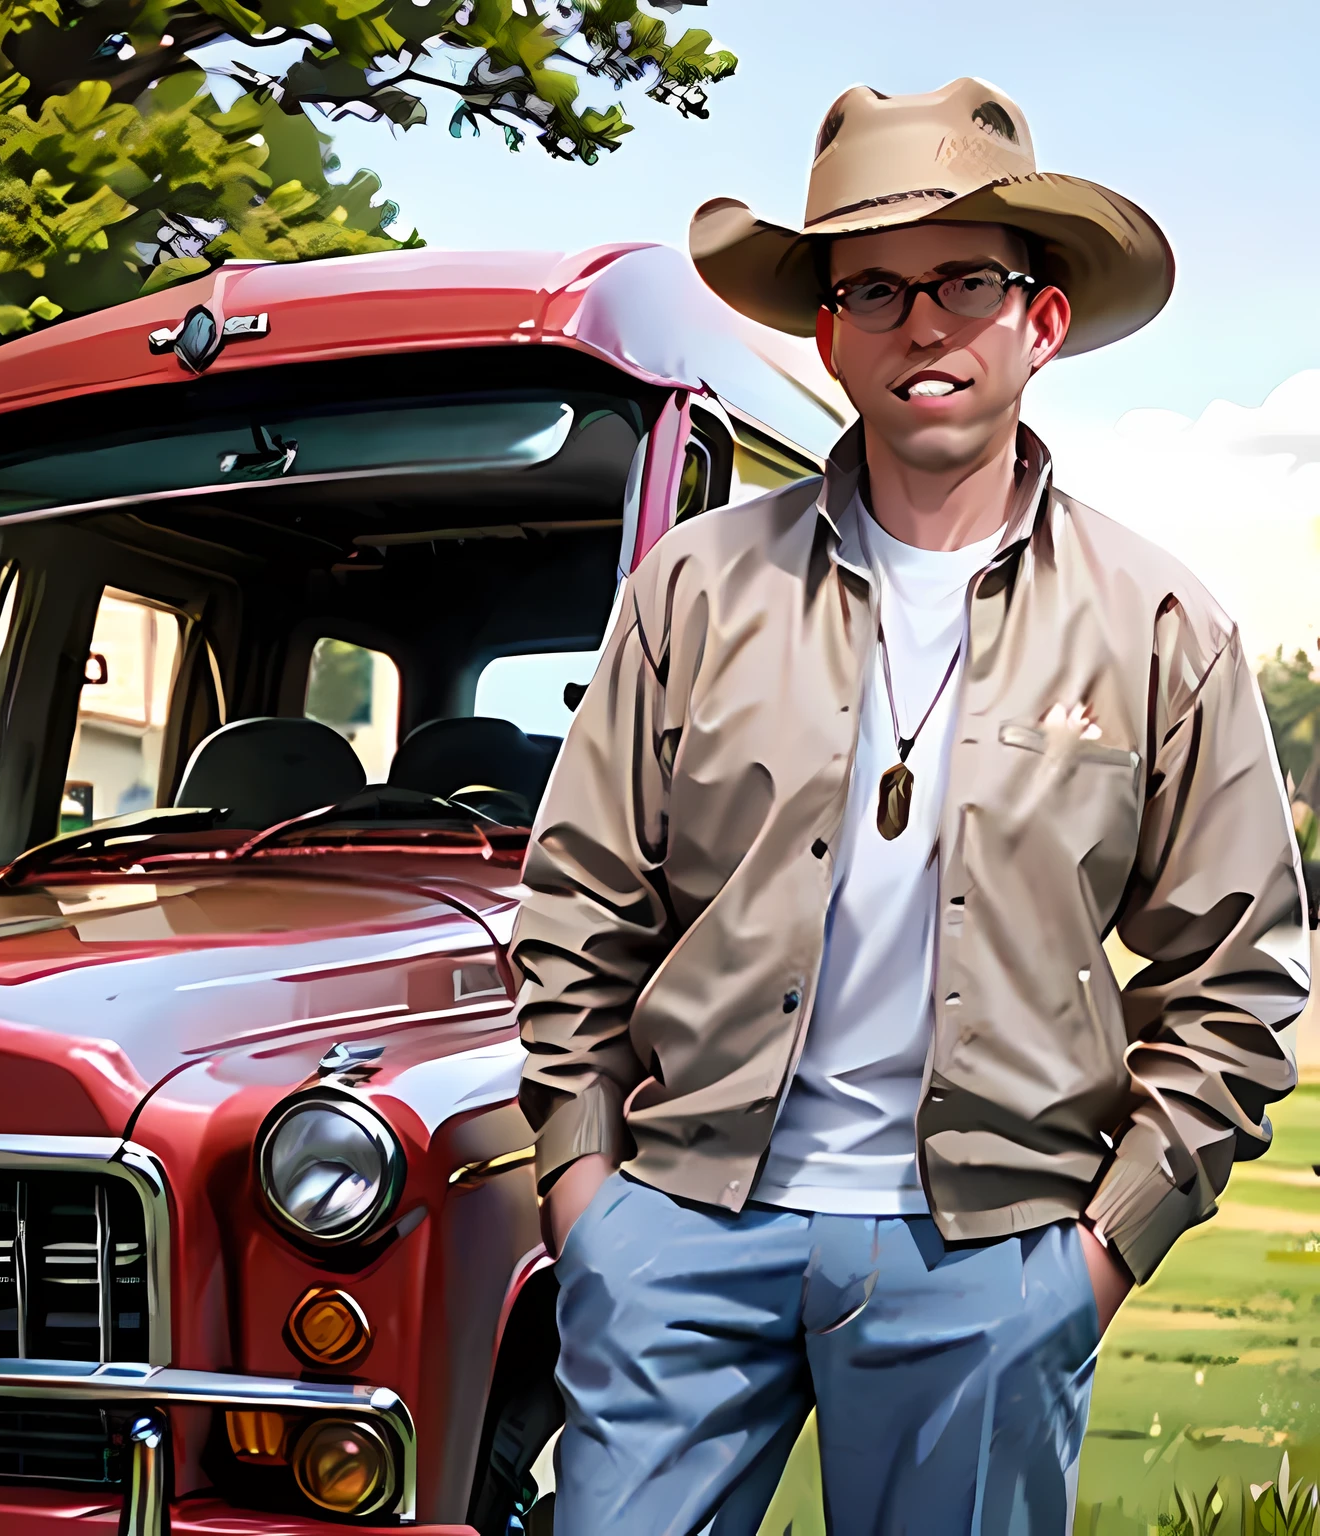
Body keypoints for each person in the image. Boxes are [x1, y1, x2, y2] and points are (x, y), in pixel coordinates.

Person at [509, 77, 1308, 1535]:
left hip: (992, 1266)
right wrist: (588, 1199)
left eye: (966, 282)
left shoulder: (1157, 623)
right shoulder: (692, 590)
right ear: (826, 332)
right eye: (873, 287)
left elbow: (1241, 982)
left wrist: (1099, 1255)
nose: (922, 324)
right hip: (681, 1235)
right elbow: (578, 911)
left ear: (1042, 319)